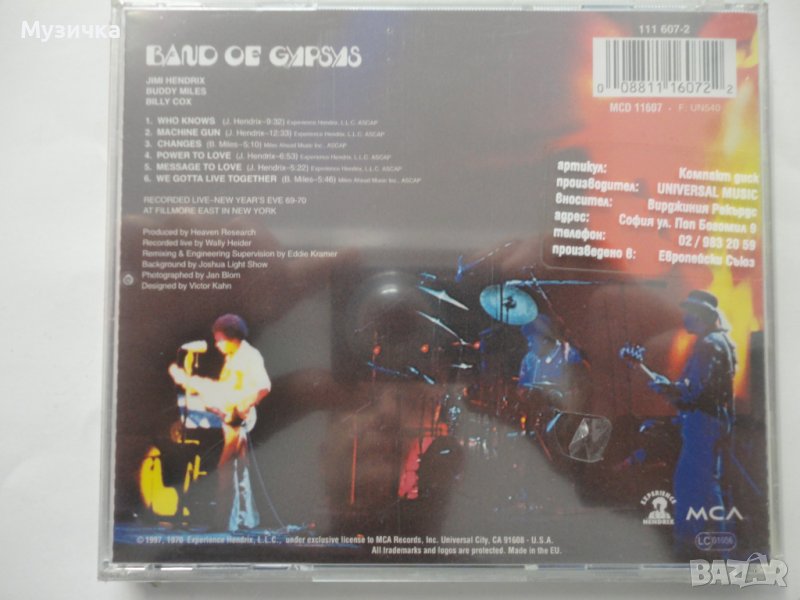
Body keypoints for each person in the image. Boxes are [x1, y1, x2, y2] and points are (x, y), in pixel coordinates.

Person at [647, 290, 736, 555]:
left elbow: (695, 392)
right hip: (714, 422)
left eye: (689, 312)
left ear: (700, 315)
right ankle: (718, 545)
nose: (684, 317)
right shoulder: (720, 342)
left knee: (689, 485)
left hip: (703, 423)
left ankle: (689, 546)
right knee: (708, 485)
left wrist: (667, 389)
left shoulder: (707, 345)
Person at [169, 314, 271, 531]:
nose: (216, 345)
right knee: (240, 470)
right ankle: (246, 519)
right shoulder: (233, 358)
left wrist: (243, 406)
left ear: (232, 336)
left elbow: (264, 386)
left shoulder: (249, 356)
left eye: (219, 340)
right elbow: (227, 391)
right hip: (231, 419)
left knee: (225, 469)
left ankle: (224, 524)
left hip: (239, 420)